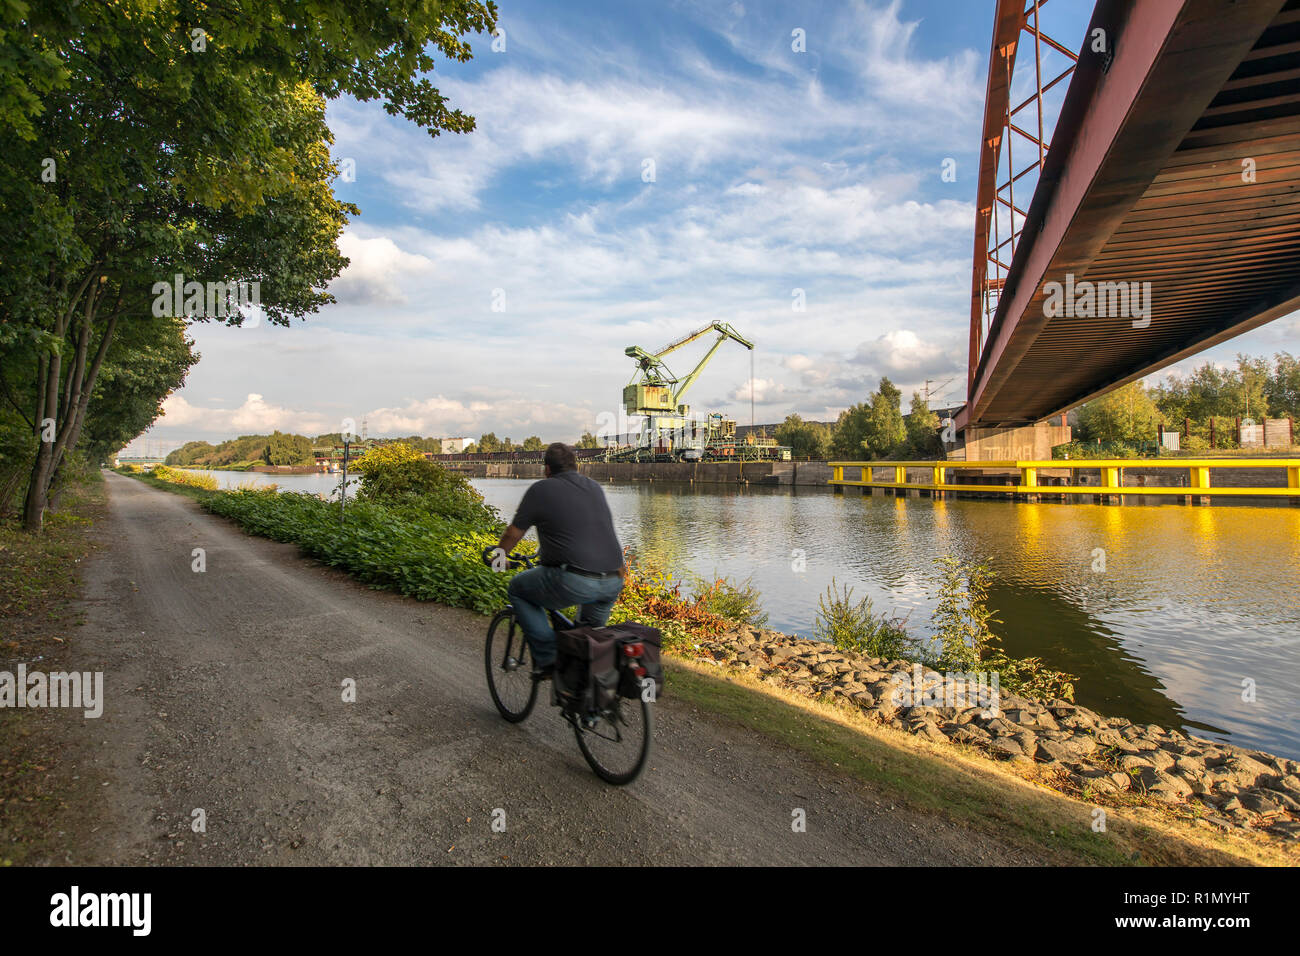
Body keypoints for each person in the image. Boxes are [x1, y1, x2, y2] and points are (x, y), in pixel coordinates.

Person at [491, 442, 625, 677]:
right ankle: (588, 702)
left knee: (517, 589)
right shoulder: (594, 487)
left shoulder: (541, 490)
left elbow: (513, 533)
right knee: (586, 642)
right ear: (577, 466)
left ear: (547, 469)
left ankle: (547, 658)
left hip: (573, 579)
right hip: (614, 578)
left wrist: (499, 557)